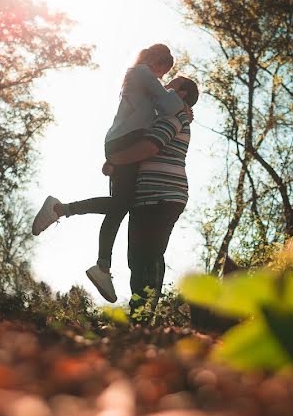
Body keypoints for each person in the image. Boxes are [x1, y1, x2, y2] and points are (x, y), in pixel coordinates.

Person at [31, 44, 190, 302]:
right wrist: (181, 105)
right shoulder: (140, 73)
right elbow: (169, 103)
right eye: (164, 72)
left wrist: (114, 163)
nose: (163, 79)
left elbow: (162, 107)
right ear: (156, 61)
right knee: (121, 205)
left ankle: (100, 263)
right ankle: (63, 213)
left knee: (120, 206)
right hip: (125, 141)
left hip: (124, 141)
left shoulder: (142, 79)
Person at [108, 76, 198, 316]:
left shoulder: (174, 116)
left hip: (164, 196)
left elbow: (150, 147)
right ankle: (139, 313)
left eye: (171, 85)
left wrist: (114, 159)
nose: (165, 87)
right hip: (146, 197)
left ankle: (145, 314)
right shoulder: (165, 116)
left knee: (149, 255)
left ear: (182, 95)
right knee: (137, 258)